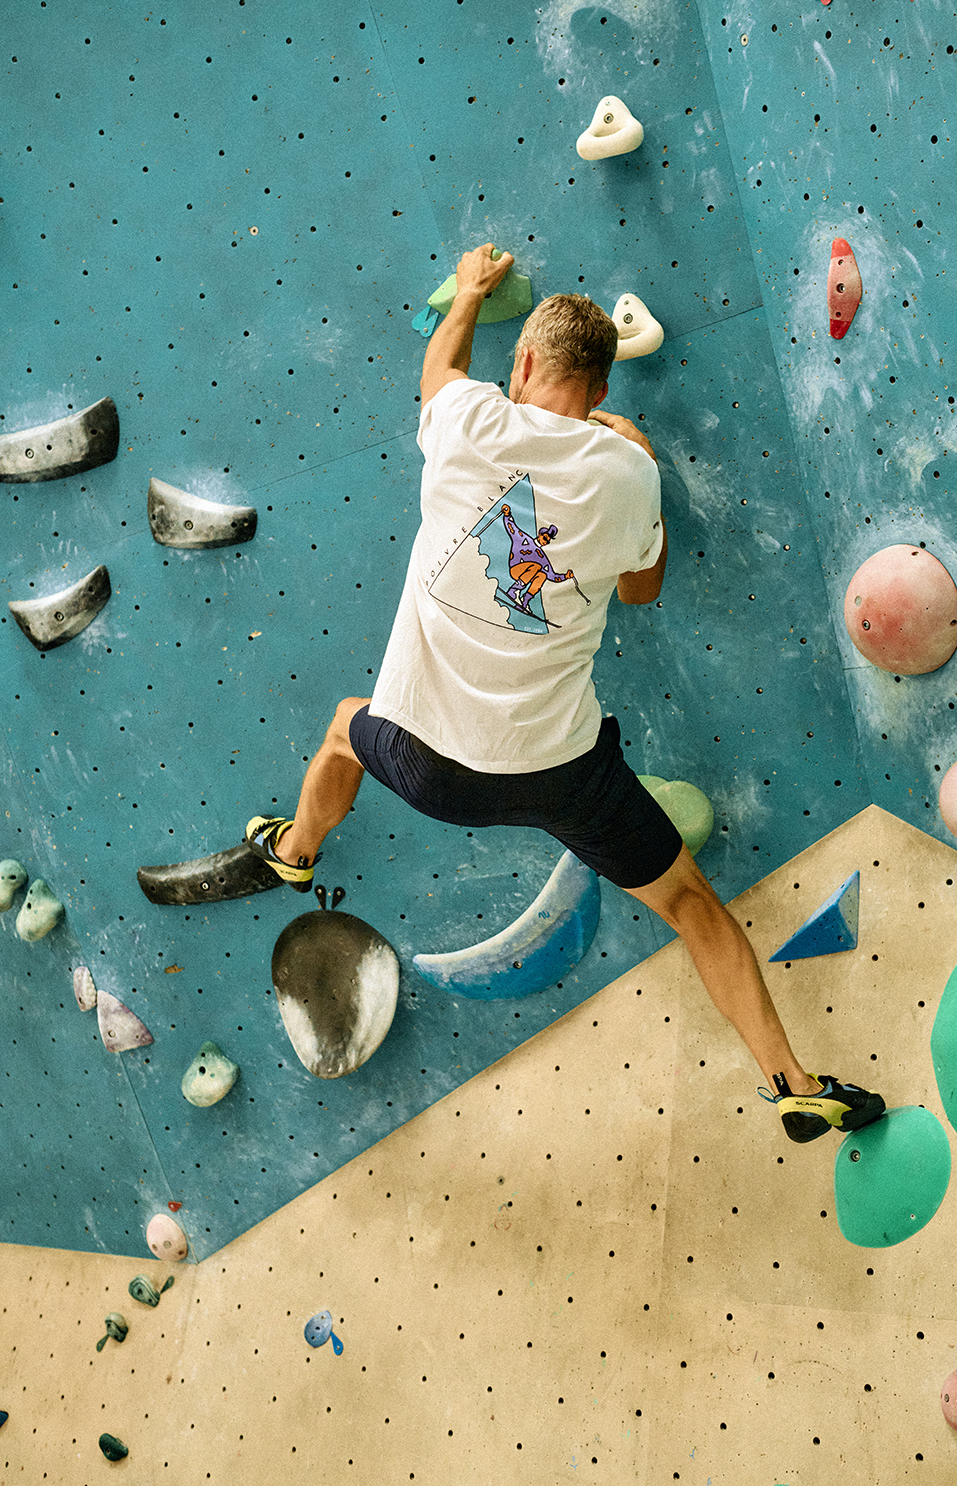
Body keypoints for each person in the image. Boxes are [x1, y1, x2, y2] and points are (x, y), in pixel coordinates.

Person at [246, 243, 884, 1145]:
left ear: (523, 364)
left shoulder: (466, 419)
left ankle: (294, 850)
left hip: (431, 767)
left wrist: (470, 294)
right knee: (692, 906)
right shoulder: (628, 471)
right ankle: (794, 1083)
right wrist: (643, 460)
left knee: (349, 728)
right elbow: (642, 591)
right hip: (560, 773)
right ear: (602, 387)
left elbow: (438, 370)